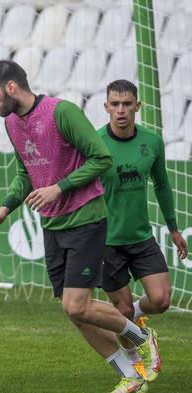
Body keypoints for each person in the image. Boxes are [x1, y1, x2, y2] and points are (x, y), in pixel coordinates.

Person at [0, 60, 157, 393]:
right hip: (52, 224)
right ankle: (132, 375)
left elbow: (102, 158)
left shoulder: (61, 112)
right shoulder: (12, 125)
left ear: (10, 87)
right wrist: (6, 207)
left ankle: (140, 336)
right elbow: (26, 172)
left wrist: (58, 187)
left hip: (85, 219)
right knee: (74, 311)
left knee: (77, 305)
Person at [98, 79, 188, 382]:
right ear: (106, 106)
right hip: (106, 242)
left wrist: (173, 228)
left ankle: (137, 313)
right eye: (115, 104)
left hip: (141, 238)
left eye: (127, 104)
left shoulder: (152, 142)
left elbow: (162, 185)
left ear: (138, 106)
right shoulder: (95, 144)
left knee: (161, 300)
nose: (121, 110)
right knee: (120, 314)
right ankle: (136, 364)